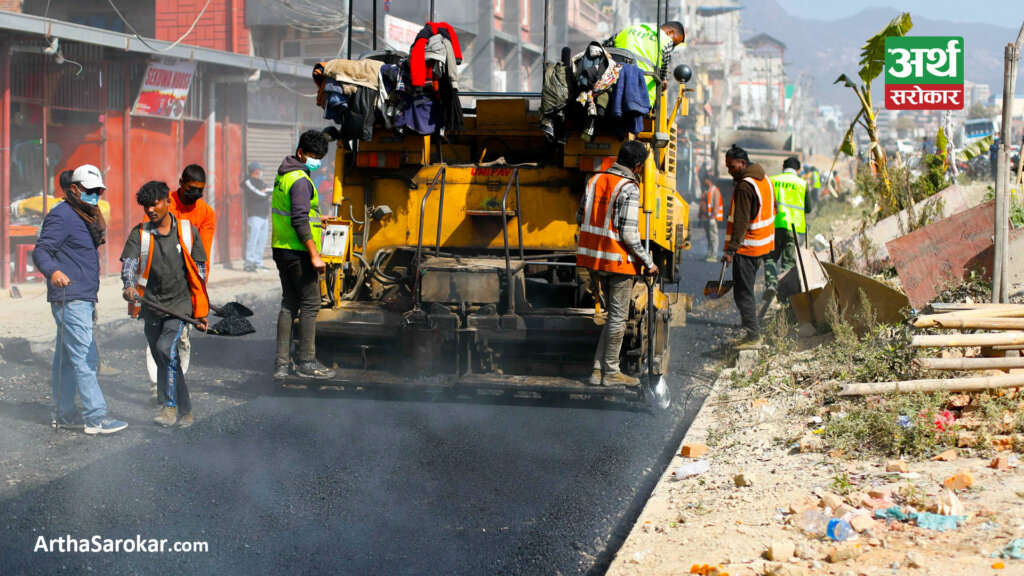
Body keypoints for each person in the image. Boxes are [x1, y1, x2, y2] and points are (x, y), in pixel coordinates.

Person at [33, 164, 127, 434]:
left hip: (81, 297)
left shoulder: (83, 215)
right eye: (90, 191)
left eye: (98, 191)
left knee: (66, 360)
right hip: (70, 296)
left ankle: (63, 414)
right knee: (86, 358)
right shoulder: (61, 216)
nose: (95, 196)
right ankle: (96, 417)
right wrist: (54, 271)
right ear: (73, 189)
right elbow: (41, 251)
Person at [121, 181, 210, 428]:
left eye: (155, 203)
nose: (150, 209)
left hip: (179, 303)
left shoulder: (187, 231)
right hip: (150, 305)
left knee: (165, 348)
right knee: (165, 358)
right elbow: (129, 262)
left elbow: (199, 273)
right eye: (146, 206)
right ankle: (187, 409)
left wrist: (200, 310)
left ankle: (169, 407)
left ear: (167, 202)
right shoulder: (140, 233)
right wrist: (128, 285)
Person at [576, 140, 659, 386]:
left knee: (613, 317)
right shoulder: (630, 188)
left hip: (593, 259)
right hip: (618, 262)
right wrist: (648, 262)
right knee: (618, 319)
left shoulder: (594, 181)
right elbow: (629, 235)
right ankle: (611, 372)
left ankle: (597, 371)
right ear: (637, 165)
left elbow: (579, 217)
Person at [272, 130, 335, 380]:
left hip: (282, 248)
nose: (316, 161)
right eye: (313, 156)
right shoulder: (300, 180)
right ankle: (307, 362)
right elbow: (298, 219)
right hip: (298, 252)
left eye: (320, 157)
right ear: (301, 152)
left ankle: (281, 365)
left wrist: (318, 219)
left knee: (289, 304)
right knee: (310, 304)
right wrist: (315, 256)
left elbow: (294, 213)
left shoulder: (284, 174)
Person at [722, 145, 775, 349]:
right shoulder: (765, 180)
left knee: (743, 293)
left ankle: (753, 337)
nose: (729, 171)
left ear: (742, 163)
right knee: (747, 290)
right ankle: (751, 334)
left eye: (732, 166)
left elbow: (741, 222)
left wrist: (730, 250)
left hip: (747, 247)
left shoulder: (745, 186)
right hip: (762, 245)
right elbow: (774, 208)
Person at [764, 157, 811, 302]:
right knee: (788, 262)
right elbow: (808, 209)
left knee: (770, 257)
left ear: (783, 167)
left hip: (774, 226)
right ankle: (784, 296)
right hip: (794, 228)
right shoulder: (802, 184)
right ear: (798, 170)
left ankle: (771, 283)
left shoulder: (772, 180)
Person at [606, 21, 685, 103]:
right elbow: (663, 72)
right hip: (642, 94)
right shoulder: (666, 41)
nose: (672, 45)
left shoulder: (629, 29)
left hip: (612, 85)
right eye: (674, 43)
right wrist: (663, 81)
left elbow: (606, 47)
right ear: (670, 33)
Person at [243, 161, 273, 272]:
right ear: (255, 171)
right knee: (253, 240)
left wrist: (266, 190)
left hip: (264, 216)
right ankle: (248, 264)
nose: (261, 172)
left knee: (262, 240)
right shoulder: (248, 181)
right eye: (260, 170)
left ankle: (258, 263)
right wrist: (265, 192)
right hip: (254, 215)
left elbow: (270, 190)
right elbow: (258, 194)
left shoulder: (260, 182)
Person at [699, 176, 723, 262]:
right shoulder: (708, 191)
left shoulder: (715, 191)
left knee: (713, 236)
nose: (704, 181)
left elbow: (716, 205)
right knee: (709, 237)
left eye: (705, 179)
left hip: (712, 218)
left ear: (709, 181)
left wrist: (713, 216)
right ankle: (710, 253)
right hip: (707, 218)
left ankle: (714, 255)